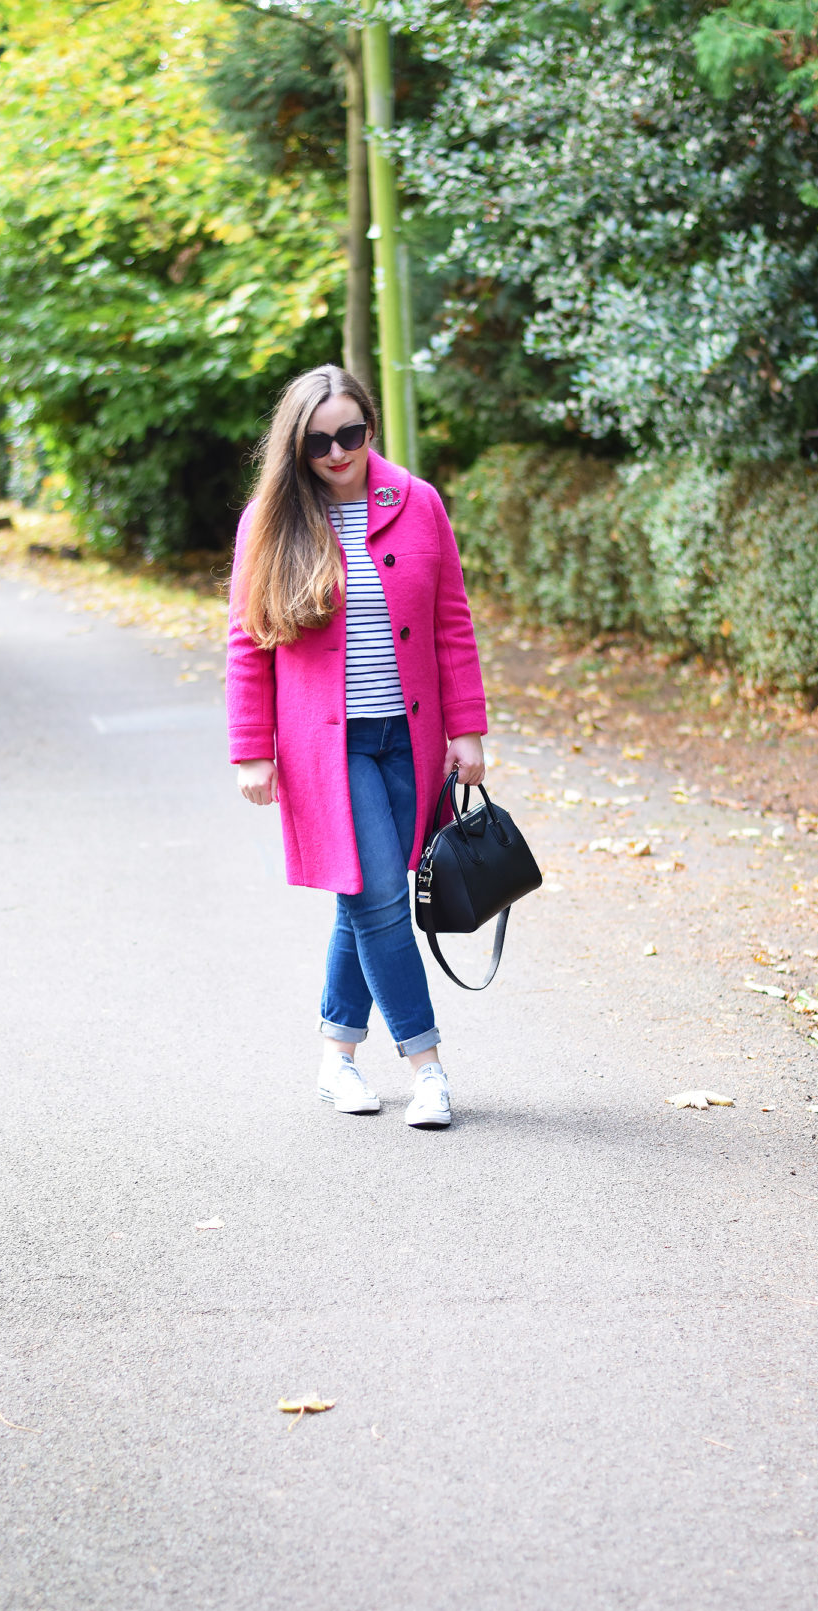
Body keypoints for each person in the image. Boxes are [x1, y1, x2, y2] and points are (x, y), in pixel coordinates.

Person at [226, 364, 487, 1128]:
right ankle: (426, 1066)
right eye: (319, 442)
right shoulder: (270, 521)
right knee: (377, 896)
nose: (338, 452)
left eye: (352, 434)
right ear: (295, 447)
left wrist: (467, 728)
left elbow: (451, 622)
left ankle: (336, 1059)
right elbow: (247, 644)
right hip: (325, 748)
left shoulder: (419, 503)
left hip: (412, 736)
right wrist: (251, 747)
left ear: (370, 426)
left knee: (364, 894)